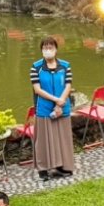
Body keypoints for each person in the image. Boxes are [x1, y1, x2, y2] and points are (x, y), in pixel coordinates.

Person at [29, 36, 74, 180]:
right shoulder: (36, 67)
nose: (48, 50)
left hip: (63, 107)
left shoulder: (65, 66)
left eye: (51, 47)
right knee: (43, 139)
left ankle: (62, 166)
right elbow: (37, 89)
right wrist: (56, 100)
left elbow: (68, 85)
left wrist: (61, 102)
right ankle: (43, 169)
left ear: (56, 49)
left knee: (63, 138)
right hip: (44, 108)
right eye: (45, 48)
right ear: (41, 50)